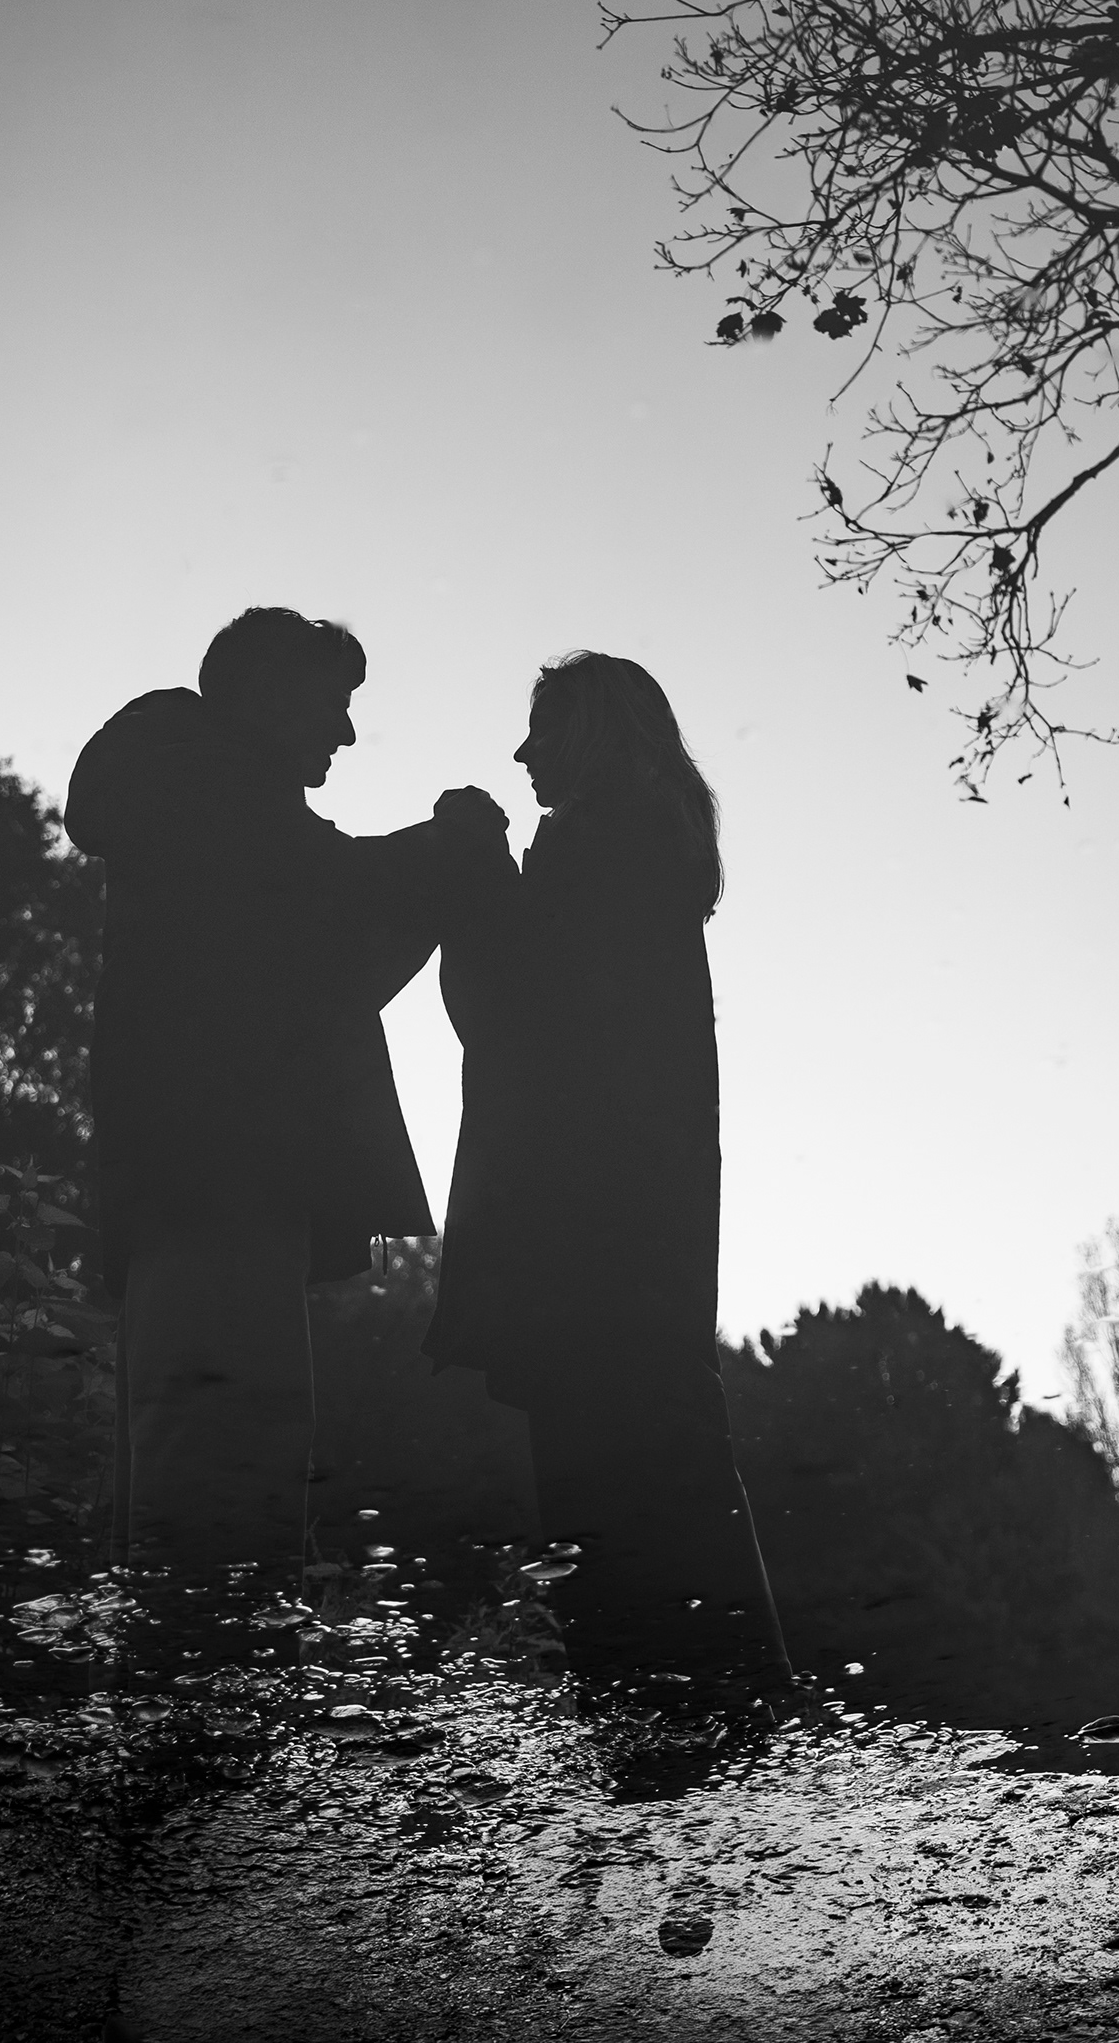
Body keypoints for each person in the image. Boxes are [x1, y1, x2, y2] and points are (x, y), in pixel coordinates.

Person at [64, 606, 505, 1577]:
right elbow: (334, 894)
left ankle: (199, 1662)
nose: (345, 732)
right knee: (223, 1479)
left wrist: (439, 861)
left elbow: (329, 940)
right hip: (218, 1185)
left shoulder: (195, 797)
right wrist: (457, 843)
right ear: (268, 693)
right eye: (333, 703)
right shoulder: (203, 788)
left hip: (212, 1191)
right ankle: (211, 1669)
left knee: (212, 1469)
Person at [425, 651, 788, 1685]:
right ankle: (714, 1712)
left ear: (592, 736)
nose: (521, 752)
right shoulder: (642, 850)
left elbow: (512, 1009)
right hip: (631, 1243)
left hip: (579, 1245)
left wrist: (472, 859)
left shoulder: (602, 851)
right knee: (666, 1473)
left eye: (543, 729)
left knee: (605, 1491)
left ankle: (665, 1725)